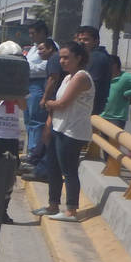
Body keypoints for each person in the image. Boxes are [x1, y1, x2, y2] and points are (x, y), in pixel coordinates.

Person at [35, 41, 93, 222]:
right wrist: (48, 123)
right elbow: (57, 106)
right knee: (53, 167)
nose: (62, 61)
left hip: (72, 131)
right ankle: (53, 205)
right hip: (58, 128)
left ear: (79, 58)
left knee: (68, 171)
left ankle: (71, 210)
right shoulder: (68, 77)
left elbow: (61, 104)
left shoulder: (81, 77)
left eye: (66, 58)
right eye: (61, 58)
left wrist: (46, 103)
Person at [0, 41, 27, 223]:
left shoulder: (18, 82)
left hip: (10, 136)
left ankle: (2, 211)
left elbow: (24, 106)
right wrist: (1, 95)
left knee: (9, 177)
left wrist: (16, 93)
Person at [23, 21, 50, 164]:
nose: (31, 36)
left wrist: (25, 66)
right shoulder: (33, 48)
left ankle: (35, 154)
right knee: (28, 120)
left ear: (42, 33)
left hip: (39, 85)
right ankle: (30, 151)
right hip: (28, 85)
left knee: (36, 121)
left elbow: (46, 67)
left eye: (34, 33)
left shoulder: (50, 47)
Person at [100, 55, 131, 130]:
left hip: (116, 118)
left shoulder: (125, 76)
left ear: (115, 65)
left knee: (113, 141)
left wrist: (127, 93)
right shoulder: (105, 76)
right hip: (102, 115)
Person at [75, 25, 111, 115]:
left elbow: (91, 84)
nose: (82, 42)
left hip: (90, 108)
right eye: (80, 39)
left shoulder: (96, 57)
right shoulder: (90, 56)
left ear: (96, 41)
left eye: (86, 40)